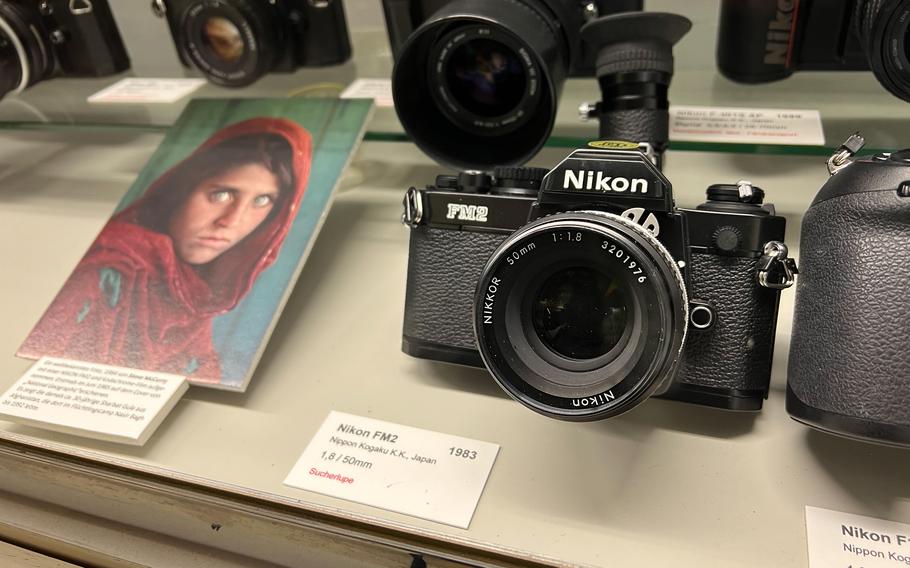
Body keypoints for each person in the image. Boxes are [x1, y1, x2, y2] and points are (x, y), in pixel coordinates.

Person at [19, 118, 313, 382]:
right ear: (181, 189)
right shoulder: (111, 267)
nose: (232, 222)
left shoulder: (194, 295)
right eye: (221, 194)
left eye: (262, 202)